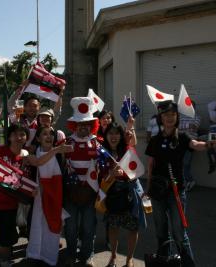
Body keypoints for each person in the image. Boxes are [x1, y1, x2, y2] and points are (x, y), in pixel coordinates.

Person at [0, 123, 72, 267]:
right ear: (9, 137)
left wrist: (33, 190)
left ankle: (4, 262)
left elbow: (29, 179)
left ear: (27, 138)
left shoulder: (26, 156)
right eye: (15, 134)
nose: (19, 137)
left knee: (7, 238)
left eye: (22, 134)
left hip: (10, 204)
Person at [145, 100, 216, 267]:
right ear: (160, 118)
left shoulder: (182, 137)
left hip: (176, 192)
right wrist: (148, 188)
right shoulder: (155, 140)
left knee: (179, 233)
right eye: (165, 115)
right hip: (157, 192)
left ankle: (188, 264)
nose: (169, 118)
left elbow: (195, 144)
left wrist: (208, 144)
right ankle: (164, 261)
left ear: (177, 117)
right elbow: (150, 164)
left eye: (172, 115)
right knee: (160, 231)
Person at [100, 123, 146, 267]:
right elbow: (101, 177)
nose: (113, 136)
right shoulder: (102, 152)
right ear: (106, 136)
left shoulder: (127, 150)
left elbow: (136, 171)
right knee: (113, 227)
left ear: (121, 136)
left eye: (116, 133)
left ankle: (129, 259)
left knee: (133, 228)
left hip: (129, 193)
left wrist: (124, 173)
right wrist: (111, 175)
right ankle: (113, 256)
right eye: (110, 133)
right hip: (112, 194)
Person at [64, 97, 100, 267]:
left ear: (91, 126)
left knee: (88, 227)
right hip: (71, 194)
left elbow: (105, 166)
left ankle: (87, 255)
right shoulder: (66, 143)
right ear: (74, 126)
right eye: (79, 124)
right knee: (70, 228)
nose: (83, 127)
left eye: (86, 124)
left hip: (90, 194)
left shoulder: (97, 144)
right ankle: (70, 254)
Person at [26, 126, 66, 266]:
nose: (49, 136)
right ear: (37, 138)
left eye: (51, 134)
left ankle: (49, 256)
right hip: (37, 197)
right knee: (37, 224)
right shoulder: (32, 153)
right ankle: (35, 253)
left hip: (55, 197)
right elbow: (37, 163)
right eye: (44, 134)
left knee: (52, 225)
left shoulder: (60, 155)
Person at [178, 101, 201, 191]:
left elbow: (195, 127)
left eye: (192, 106)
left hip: (191, 142)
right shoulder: (181, 117)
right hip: (180, 142)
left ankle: (190, 180)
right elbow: (177, 126)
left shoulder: (198, 117)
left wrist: (183, 126)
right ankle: (185, 182)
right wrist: (188, 125)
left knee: (186, 163)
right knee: (180, 163)